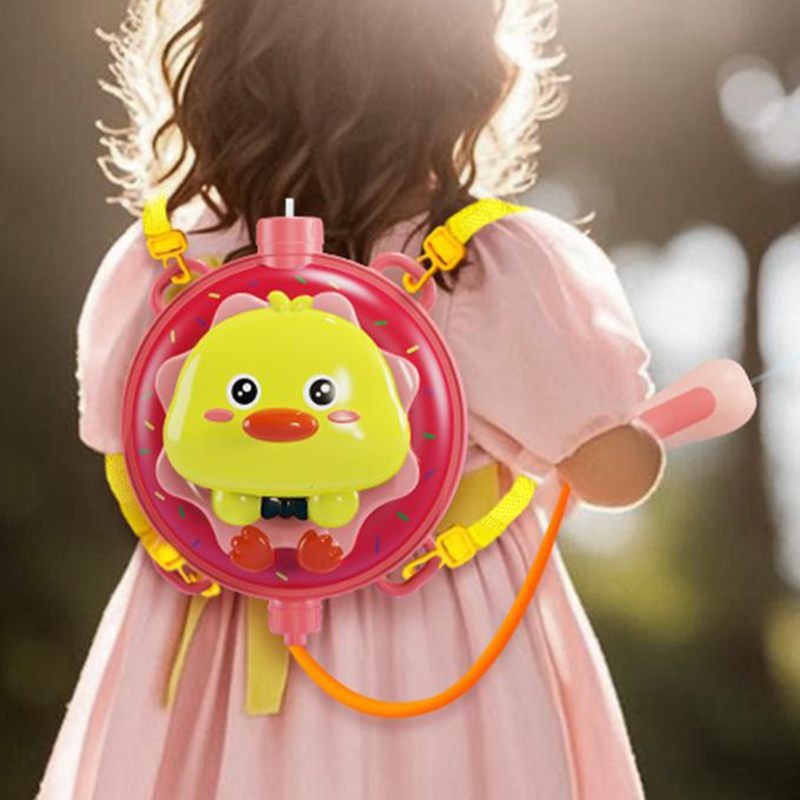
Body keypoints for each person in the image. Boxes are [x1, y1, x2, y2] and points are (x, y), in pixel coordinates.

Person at [39, 0, 664, 797]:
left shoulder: (163, 261)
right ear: (464, 75)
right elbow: (614, 475)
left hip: (213, 645)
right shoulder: (485, 268)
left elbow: (119, 443)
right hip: (437, 654)